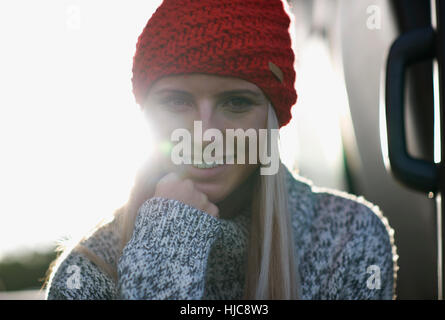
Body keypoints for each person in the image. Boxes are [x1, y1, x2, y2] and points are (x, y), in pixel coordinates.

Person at [44, 0, 398, 300]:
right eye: (178, 101)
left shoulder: (347, 237)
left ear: (271, 119)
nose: (206, 133)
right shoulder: (88, 271)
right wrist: (170, 242)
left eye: (236, 102)